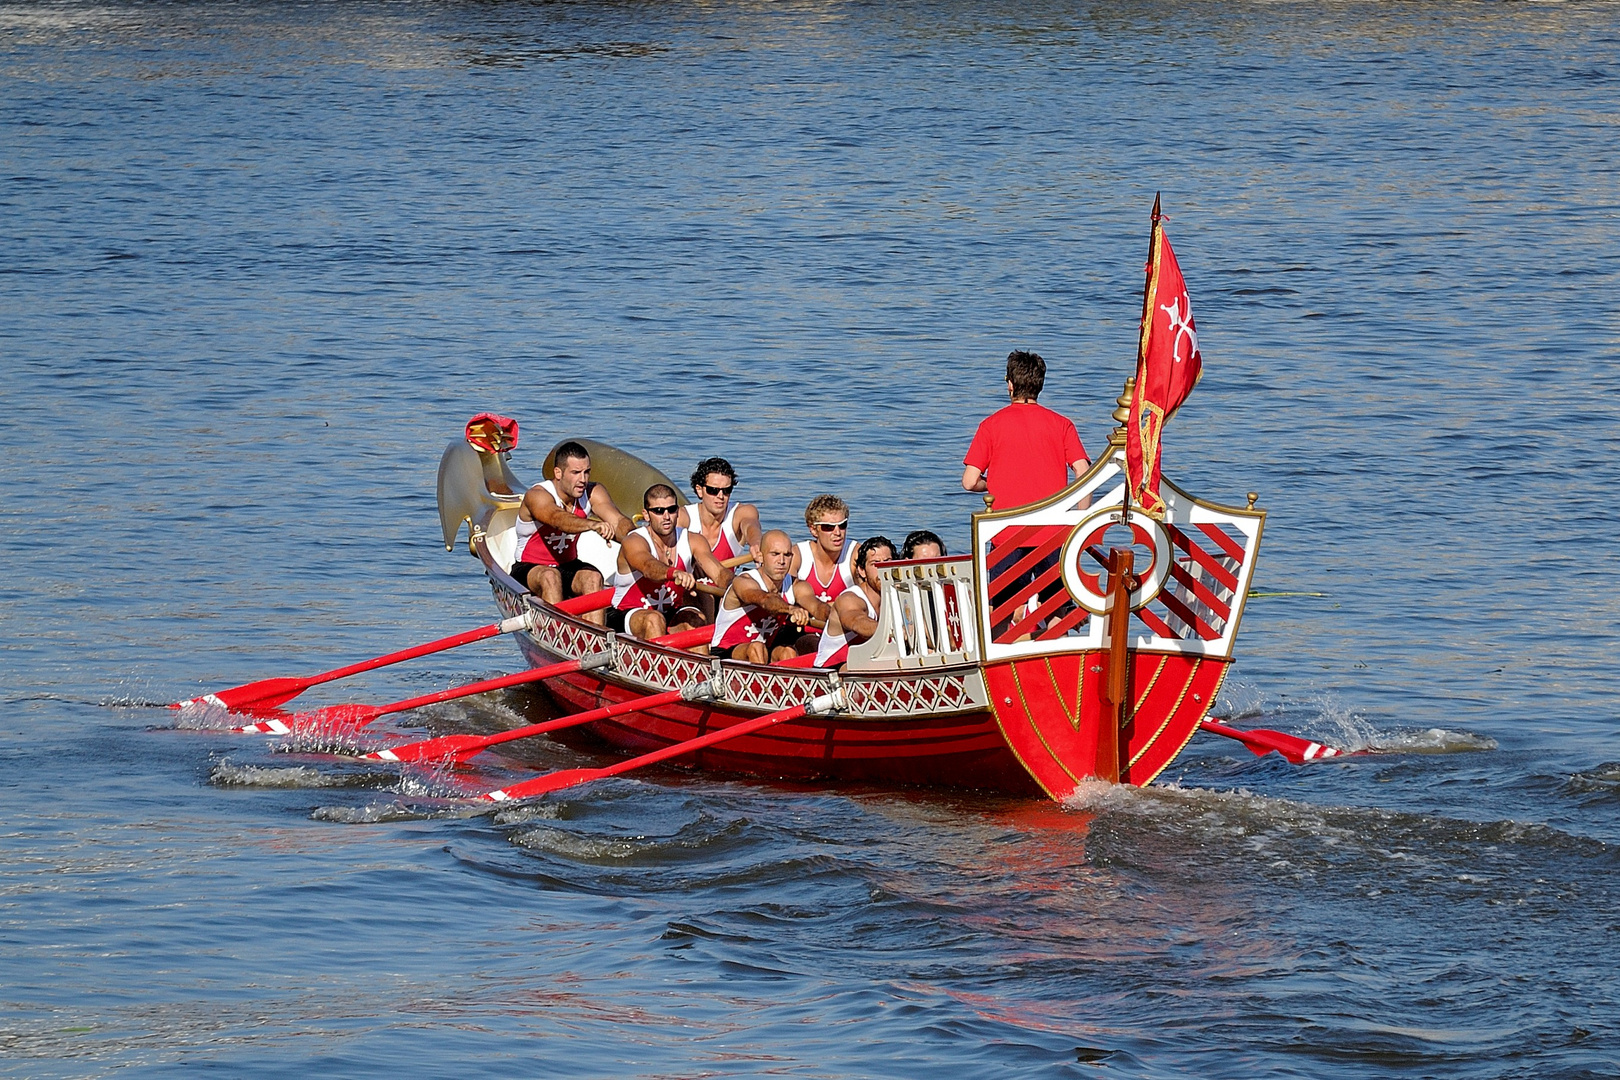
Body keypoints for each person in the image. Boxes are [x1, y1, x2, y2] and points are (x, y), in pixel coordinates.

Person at [510, 440, 632, 625]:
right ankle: (556, 635)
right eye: (575, 473)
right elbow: (558, 519)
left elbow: (619, 522)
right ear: (558, 473)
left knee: (593, 578)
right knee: (550, 577)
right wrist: (592, 525)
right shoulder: (537, 495)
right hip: (529, 568)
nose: (583, 479)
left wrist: (643, 541)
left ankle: (594, 640)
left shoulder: (593, 492)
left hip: (567, 566)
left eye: (586, 472)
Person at [961, 350, 1090, 511]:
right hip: (1053, 526)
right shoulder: (1063, 425)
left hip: (1005, 526)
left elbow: (969, 481)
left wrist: (992, 483)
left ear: (1010, 385)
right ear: (1040, 385)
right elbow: (1083, 471)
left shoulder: (990, 426)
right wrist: (1081, 516)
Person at [609, 484, 732, 640]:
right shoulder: (634, 541)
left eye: (671, 510)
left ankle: (700, 663)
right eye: (659, 511)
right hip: (627, 613)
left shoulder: (694, 540)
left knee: (695, 619)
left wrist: (740, 587)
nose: (666, 516)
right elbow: (648, 567)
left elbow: (719, 573)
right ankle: (656, 664)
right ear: (646, 515)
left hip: (670, 612)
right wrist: (674, 573)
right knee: (653, 620)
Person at [712, 530, 826, 664]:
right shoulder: (744, 581)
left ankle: (785, 683)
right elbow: (765, 600)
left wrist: (839, 619)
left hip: (764, 650)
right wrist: (791, 609)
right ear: (760, 557)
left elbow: (818, 607)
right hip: (725, 652)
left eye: (787, 555)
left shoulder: (797, 586)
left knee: (788, 652)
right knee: (756, 648)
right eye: (775, 554)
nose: (782, 561)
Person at [814, 536, 893, 669]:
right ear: (862, 571)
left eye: (887, 562)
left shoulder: (897, 597)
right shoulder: (850, 599)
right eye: (875, 564)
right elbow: (856, 621)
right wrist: (894, 630)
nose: (882, 569)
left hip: (868, 663)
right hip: (832, 670)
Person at [679, 457, 763, 565]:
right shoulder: (683, 516)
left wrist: (756, 543)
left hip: (727, 581)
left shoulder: (741, 512)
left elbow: (751, 525)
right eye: (713, 490)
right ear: (699, 490)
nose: (721, 496)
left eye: (726, 490)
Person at [789, 494, 856, 603]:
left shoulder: (854, 553)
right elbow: (783, 593)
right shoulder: (797, 555)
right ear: (813, 530)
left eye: (842, 525)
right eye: (829, 527)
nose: (838, 533)